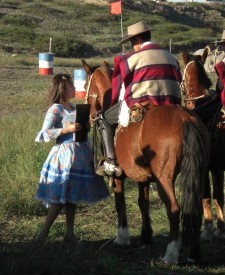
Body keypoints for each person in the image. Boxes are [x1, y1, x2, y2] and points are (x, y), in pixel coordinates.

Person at [97, 20, 182, 176]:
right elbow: (179, 79)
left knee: (104, 118)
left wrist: (112, 102)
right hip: (172, 104)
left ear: (136, 40)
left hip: (143, 102)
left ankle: (110, 162)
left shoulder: (129, 59)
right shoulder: (171, 57)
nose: (132, 46)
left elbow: (117, 87)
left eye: (131, 42)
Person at [35, 73, 110, 242]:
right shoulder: (55, 109)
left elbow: (81, 128)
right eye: (71, 85)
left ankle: (69, 234)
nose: (75, 88)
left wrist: (85, 127)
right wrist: (65, 130)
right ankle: (43, 233)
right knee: (61, 196)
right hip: (64, 156)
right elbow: (44, 132)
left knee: (72, 196)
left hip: (80, 154)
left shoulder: (75, 108)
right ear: (63, 88)